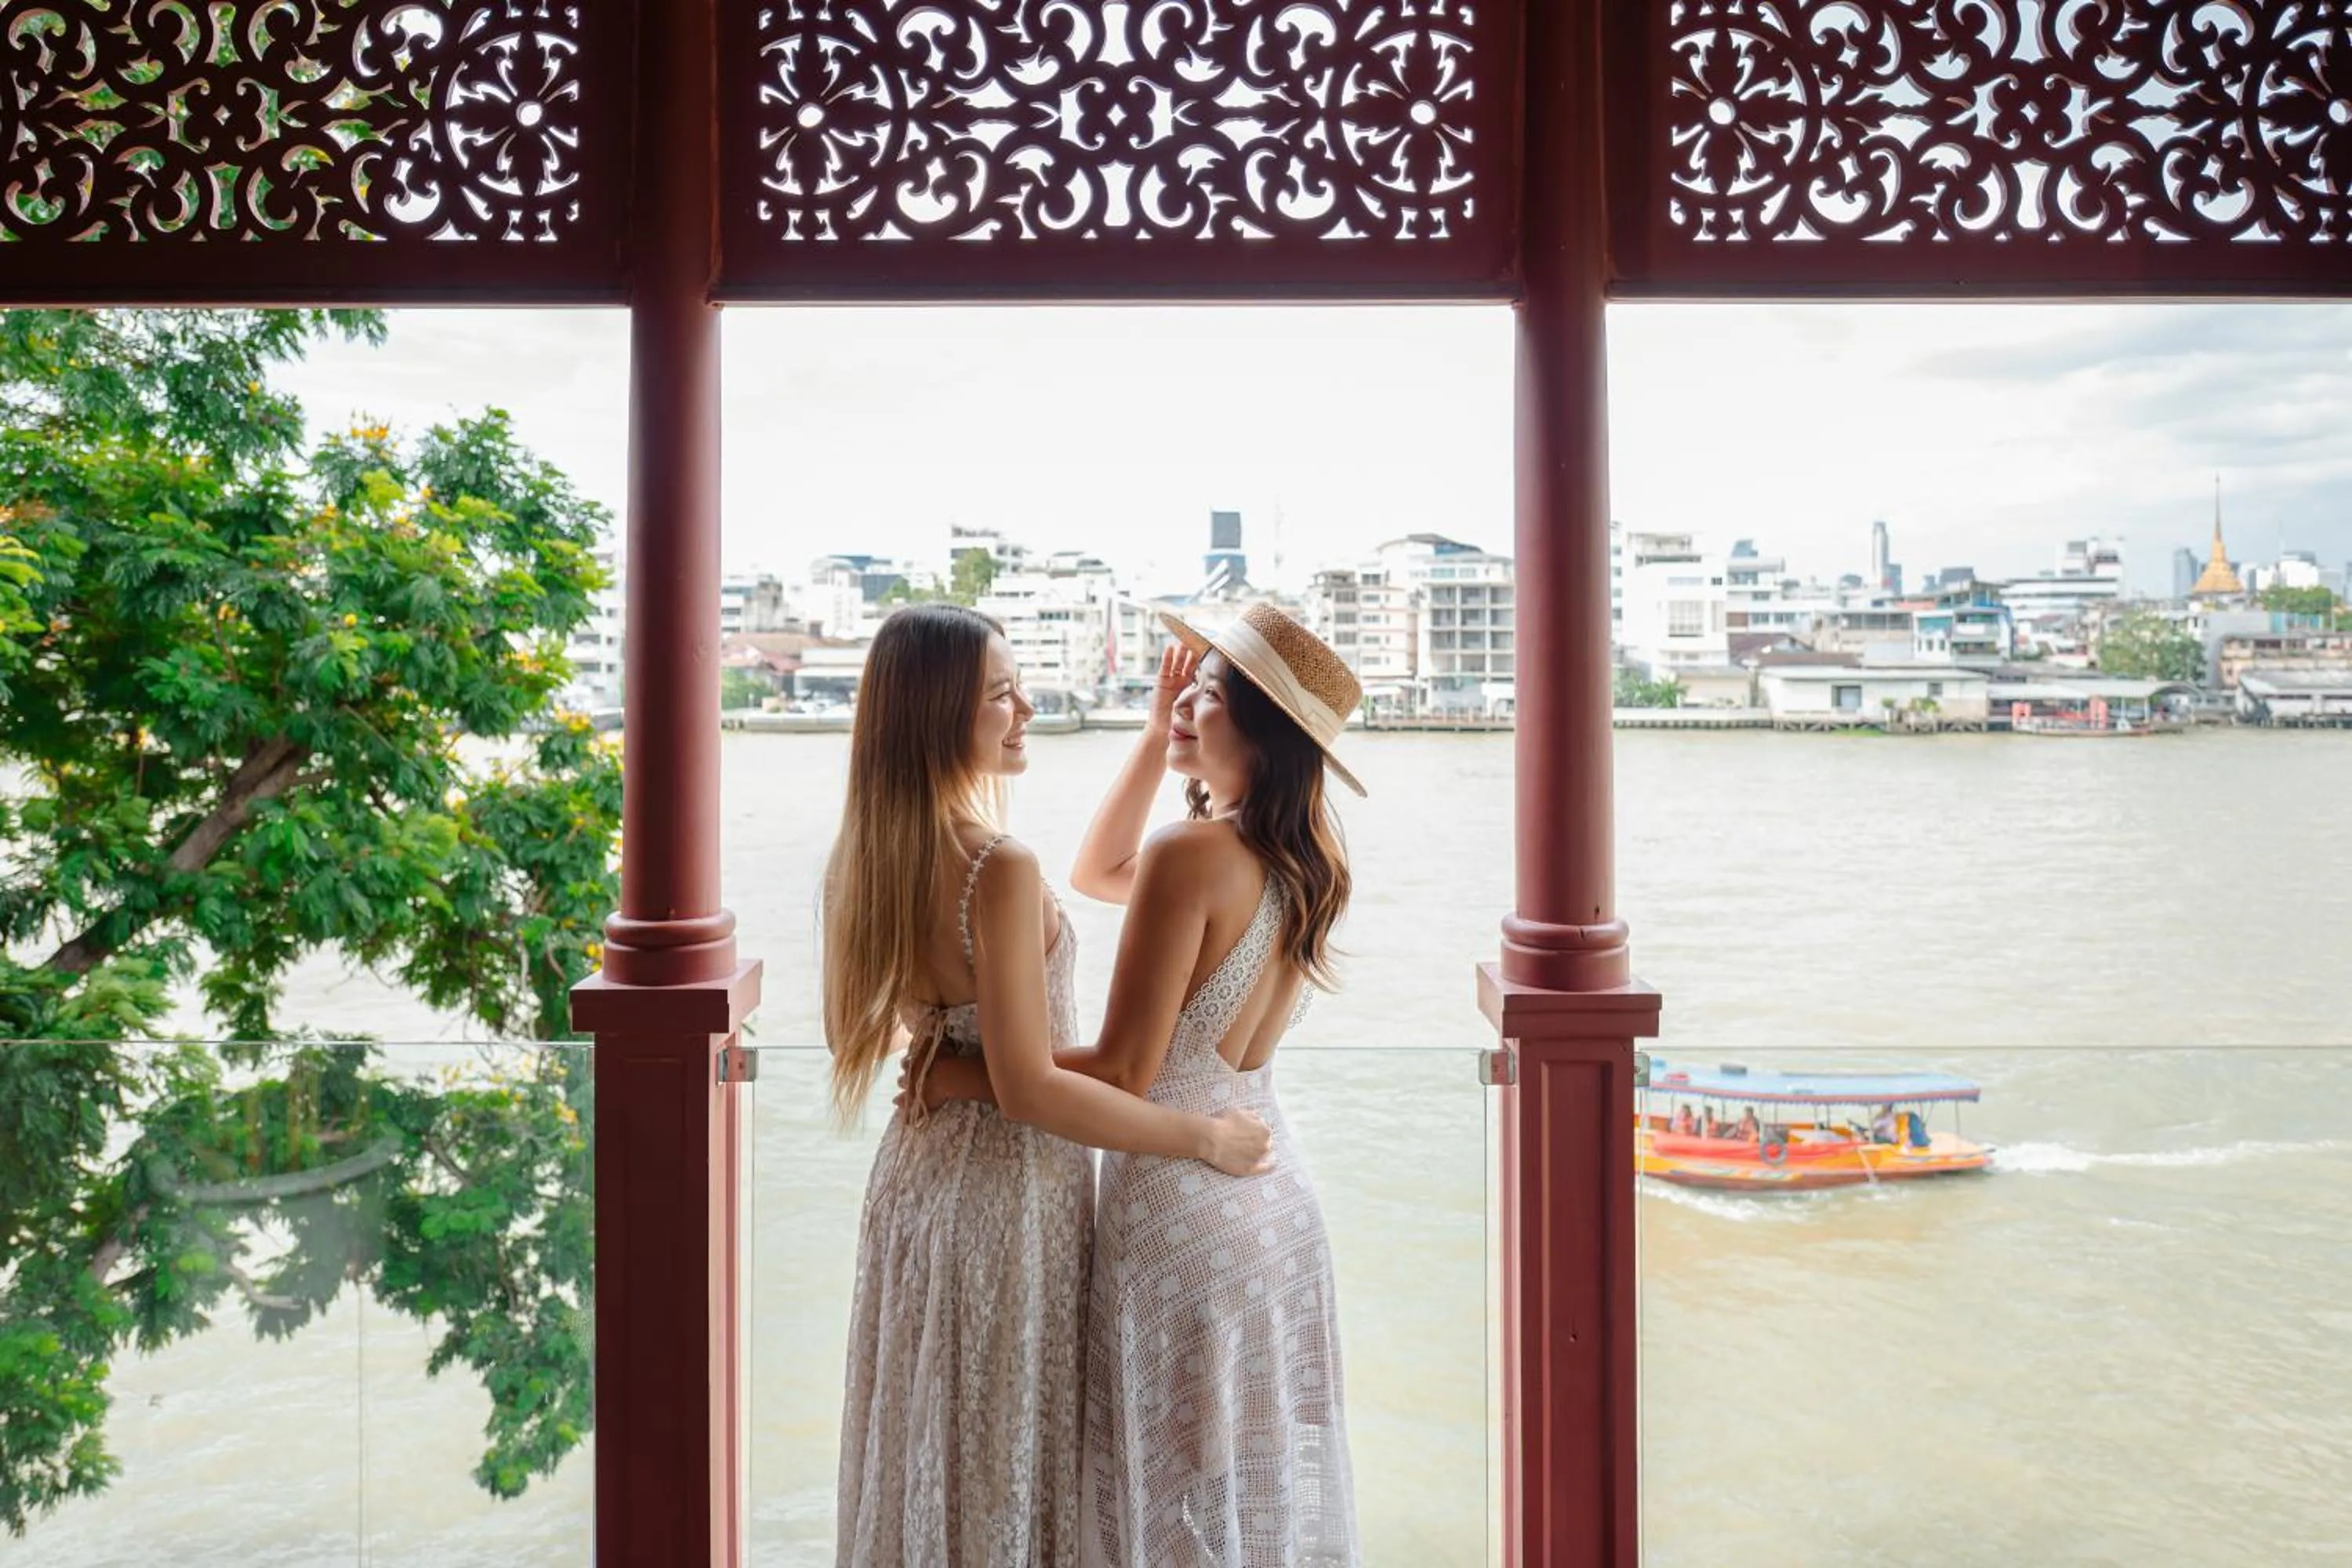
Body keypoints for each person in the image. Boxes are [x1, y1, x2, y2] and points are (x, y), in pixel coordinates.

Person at [826, 604, 1275, 1568]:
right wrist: (1201, 1137)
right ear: (942, 715)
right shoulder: (995, 863)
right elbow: (1032, 1087)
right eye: (1000, 693)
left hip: (913, 1184)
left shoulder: (868, 853)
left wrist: (950, 1066)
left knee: (921, 1447)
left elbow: (899, 1035)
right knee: (1000, 1468)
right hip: (1008, 1194)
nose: (1026, 707)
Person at [924, 606, 1367, 1566]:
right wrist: (1156, 729)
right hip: (1273, 1204)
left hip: (1178, 1211)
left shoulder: (1189, 853)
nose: (1183, 702)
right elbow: (1096, 869)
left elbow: (1129, 1070)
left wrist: (964, 1073)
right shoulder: (1302, 859)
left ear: (1259, 728)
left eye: (1206, 693)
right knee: (1247, 1503)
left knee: (1164, 1512)